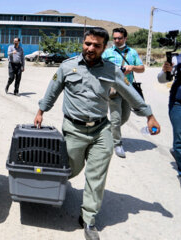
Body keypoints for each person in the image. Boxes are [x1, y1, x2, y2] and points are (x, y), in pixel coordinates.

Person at [34, 28, 160, 240]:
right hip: (73, 129)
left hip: (101, 130)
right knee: (71, 169)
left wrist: (149, 115)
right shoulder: (68, 66)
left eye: (96, 45)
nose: (90, 48)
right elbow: (52, 91)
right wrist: (40, 112)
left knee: (96, 175)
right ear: (83, 42)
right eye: (88, 44)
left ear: (104, 48)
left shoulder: (112, 70)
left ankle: (89, 219)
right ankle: (54, 186)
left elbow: (131, 94)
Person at [102, 28, 145, 158]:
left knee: (125, 117)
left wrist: (132, 67)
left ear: (125, 38)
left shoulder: (132, 53)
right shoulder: (107, 52)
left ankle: (106, 132)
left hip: (128, 89)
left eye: (119, 38)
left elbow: (142, 68)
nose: (116, 40)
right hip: (113, 89)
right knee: (115, 118)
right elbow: (99, 67)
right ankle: (117, 143)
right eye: (114, 38)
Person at [158, 55, 181, 189]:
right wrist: (165, 71)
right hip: (179, 103)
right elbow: (161, 80)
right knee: (180, 139)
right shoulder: (177, 59)